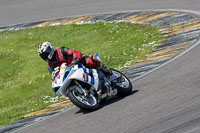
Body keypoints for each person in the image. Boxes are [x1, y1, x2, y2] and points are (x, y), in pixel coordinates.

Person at [37, 41, 112, 94]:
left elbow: (75, 52)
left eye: (46, 53)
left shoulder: (61, 50)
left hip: (77, 63)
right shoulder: (50, 65)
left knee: (90, 61)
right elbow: (54, 75)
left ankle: (105, 69)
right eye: (43, 55)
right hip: (69, 74)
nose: (45, 56)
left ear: (51, 48)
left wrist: (75, 60)